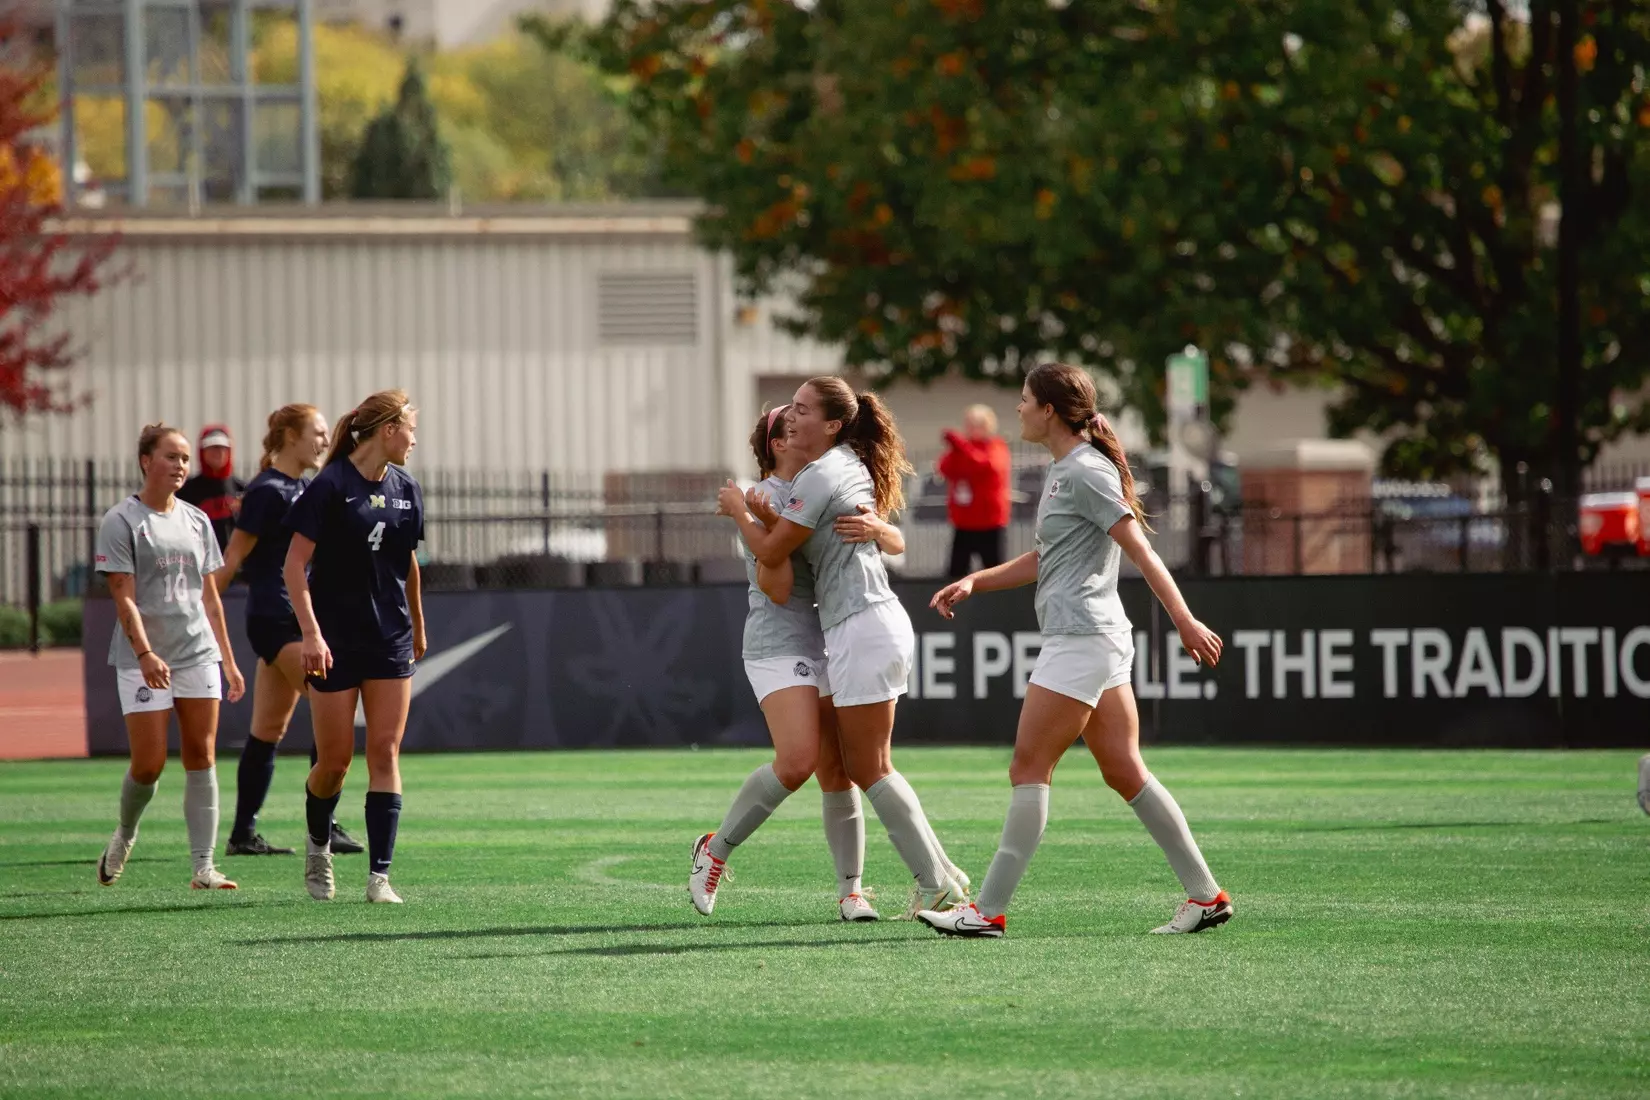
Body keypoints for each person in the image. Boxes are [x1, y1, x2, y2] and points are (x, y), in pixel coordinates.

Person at [918, 362, 1231, 938]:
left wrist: (1184, 620)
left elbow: (1141, 550)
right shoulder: (1068, 470)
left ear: (1050, 412)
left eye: (1024, 400)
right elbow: (1046, 559)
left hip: (1082, 638)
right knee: (1125, 771)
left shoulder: (1085, 471)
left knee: (1028, 767)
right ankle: (1206, 896)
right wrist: (974, 581)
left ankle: (985, 912)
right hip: (1094, 638)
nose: (1017, 408)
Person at [714, 377, 968, 918]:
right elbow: (886, 538)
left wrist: (741, 510)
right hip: (870, 622)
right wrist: (882, 530)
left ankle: (937, 887)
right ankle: (943, 874)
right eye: (790, 414)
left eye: (803, 410)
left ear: (831, 425)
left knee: (868, 768)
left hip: (860, 625)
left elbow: (777, 550)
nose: (793, 419)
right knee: (870, 766)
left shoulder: (823, 472)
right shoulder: (845, 462)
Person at [283, 390, 426, 904]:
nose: (414, 439)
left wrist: (419, 627)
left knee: (384, 751)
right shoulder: (330, 485)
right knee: (335, 762)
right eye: (410, 428)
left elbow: (407, 563)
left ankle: (379, 878)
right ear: (388, 429)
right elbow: (294, 566)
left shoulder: (407, 488)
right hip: (335, 643)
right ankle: (318, 847)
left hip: (390, 639)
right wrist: (311, 634)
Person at [94, 423, 247, 891]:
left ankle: (204, 866)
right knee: (149, 764)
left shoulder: (197, 520)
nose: (180, 465)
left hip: (196, 652)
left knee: (202, 755)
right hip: (145, 658)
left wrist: (227, 659)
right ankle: (124, 833)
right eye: (170, 456)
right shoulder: (121, 520)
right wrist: (144, 653)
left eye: (184, 458)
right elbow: (123, 599)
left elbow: (211, 598)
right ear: (146, 461)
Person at [214, 404, 364, 858]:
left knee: (267, 731)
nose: (323, 440)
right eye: (316, 432)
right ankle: (326, 823)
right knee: (330, 700)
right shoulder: (268, 491)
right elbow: (233, 558)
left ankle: (243, 834)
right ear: (290, 437)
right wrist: (201, 607)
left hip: (286, 619)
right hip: (276, 618)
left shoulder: (304, 487)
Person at [938, 405, 1012, 578]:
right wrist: (959, 449)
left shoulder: (996, 446)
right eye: (968, 423)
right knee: (956, 573)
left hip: (989, 523)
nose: (970, 428)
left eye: (976, 424)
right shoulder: (962, 449)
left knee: (994, 572)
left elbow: (986, 466)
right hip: (964, 523)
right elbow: (944, 467)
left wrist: (961, 446)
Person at [178, 424, 246, 552]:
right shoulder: (185, 490)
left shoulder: (242, 489)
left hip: (235, 565)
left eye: (223, 448)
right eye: (212, 448)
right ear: (202, 451)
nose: (218, 452)